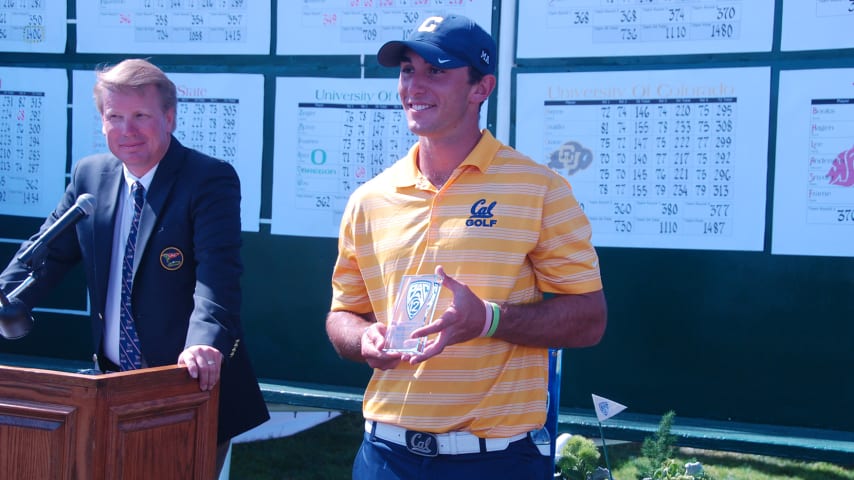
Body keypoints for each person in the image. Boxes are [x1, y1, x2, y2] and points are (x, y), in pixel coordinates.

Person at [325, 14, 608, 479]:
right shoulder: (369, 198)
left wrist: (488, 319)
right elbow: (342, 315)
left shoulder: (540, 189)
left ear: (481, 88)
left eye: (435, 71)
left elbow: (589, 321)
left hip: (496, 460)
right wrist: (363, 339)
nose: (415, 85)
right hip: (384, 456)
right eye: (407, 70)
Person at [0, 58, 269, 477]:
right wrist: (5, 296)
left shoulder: (208, 179)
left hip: (185, 391)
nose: (127, 130)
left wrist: (203, 344)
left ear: (169, 117)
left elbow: (216, 277)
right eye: (114, 117)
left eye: (141, 116)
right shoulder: (90, 176)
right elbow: (45, 254)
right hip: (109, 389)